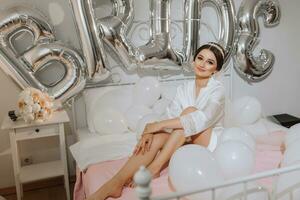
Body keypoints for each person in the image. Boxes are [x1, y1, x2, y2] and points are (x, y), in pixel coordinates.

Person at [86, 42, 226, 200]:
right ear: (193, 61)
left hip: (207, 142)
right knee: (156, 137)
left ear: (216, 69)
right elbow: (169, 116)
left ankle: (154, 167)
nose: (203, 64)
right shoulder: (184, 89)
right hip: (184, 139)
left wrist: (156, 125)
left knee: (188, 114)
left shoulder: (218, 91)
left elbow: (201, 119)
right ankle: (114, 183)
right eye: (200, 58)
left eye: (210, 62)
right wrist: (151, 131)